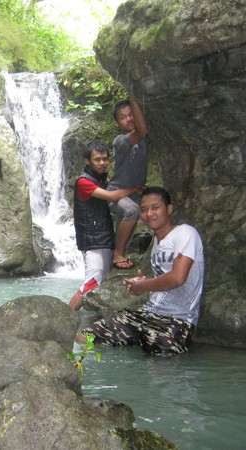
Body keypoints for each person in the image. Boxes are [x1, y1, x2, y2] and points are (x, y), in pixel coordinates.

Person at [76, 186, 205, 356]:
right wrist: (142, 283)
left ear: (169, 209)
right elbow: (162, 280)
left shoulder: (186, 233)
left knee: (159, 370)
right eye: (144, 210)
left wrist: (145, 285)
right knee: (85, 337)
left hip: (177, 322)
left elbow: (178, 278)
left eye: (155, 208)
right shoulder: (157, 245)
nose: (149, 214)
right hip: (145, 314)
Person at [69, 140, 143, 311]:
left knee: (97, 283)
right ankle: (65, 320)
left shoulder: (101, 179)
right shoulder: (84, 182)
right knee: (91, 283)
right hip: (93, 241)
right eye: (97, 159)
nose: (102, 163)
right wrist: (134, 189)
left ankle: (80, 322)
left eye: (105, 159)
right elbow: (112, 197)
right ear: (87, 161)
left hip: (104, 237)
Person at [108, 99, 148, 270]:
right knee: (132, 210)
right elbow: (142, 130)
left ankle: (115, 258)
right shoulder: (120, 141)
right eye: (123, 117)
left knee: (128, 225)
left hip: (134, 194)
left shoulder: (145, 139)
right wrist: (134, 98)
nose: (129, 119)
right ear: (117, 123)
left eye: (131, 114)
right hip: (116, 193)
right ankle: (118, 254)